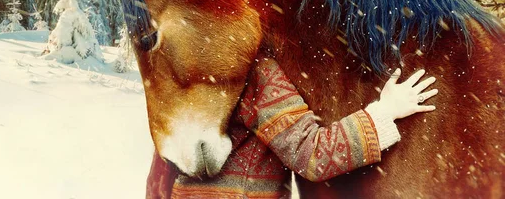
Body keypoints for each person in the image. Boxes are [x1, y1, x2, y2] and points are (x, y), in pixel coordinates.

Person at [146, 55, 438, 199]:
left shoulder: (183, 67)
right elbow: (312, 155)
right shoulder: (256, 73)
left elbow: (161, 172)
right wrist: (385, 112)